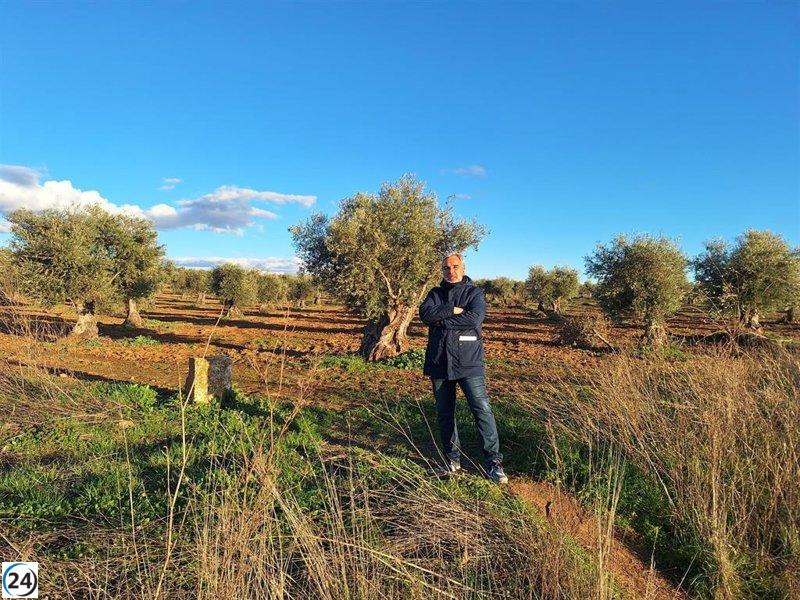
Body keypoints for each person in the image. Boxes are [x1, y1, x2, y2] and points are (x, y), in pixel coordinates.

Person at [418, 253, 508, 484]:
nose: (451, 271)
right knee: (444, 414)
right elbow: (425, 314)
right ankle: (451, 459)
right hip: (439, 361)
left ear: (463, 267)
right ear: (442, 270)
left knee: (481, 410)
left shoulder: (474, 293)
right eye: (446, 268)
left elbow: (474, 319)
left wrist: (441, 320)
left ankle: (493, 462)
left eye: (455, 266)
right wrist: (454, 310)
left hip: (469, 362)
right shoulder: (435, 293)